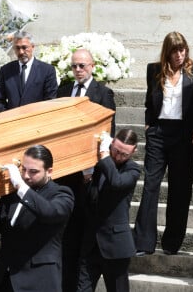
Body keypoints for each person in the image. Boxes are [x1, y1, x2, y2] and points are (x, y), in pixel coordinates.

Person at [0, 145, 74, 292]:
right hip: (5, 276)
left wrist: (20, 187)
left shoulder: (61, 194)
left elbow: (49, 213)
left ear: (49, 171)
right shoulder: (14, 193)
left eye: (33, 172)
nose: (26, 176)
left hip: (38, 280)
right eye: (23, 169)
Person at [132, 32, 193, 257]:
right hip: (159, 132)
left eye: (183, 50)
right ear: (167, 51)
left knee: (180, 188)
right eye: (175, 50)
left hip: (184, 135)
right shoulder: (154, 70)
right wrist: (148, 125)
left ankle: (172, 242)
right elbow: (149, 100)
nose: (180, 55)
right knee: (150, 185)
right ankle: (143, 242)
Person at [56, 47, 116, 292]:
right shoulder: (62, 91)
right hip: (65, 172)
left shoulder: (103, 93)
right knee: (67, 232)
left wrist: (93, 166)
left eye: (82, 66)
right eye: (74, 66)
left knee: (84, 229)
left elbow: (107, 133)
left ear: (92, 66)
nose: (78, 70)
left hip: (90, 173)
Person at [76, 129, 141, 292]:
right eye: (116, 150)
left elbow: (116, 182)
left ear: (134, 151)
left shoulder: (132, 170)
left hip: (116, 246)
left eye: (124, 154)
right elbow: (90, 198)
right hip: (91, 242)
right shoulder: (100, 164)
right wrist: (87, 180)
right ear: (112, 143)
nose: (118, 156)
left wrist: (105, 154)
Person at [0, 30, 58, 112]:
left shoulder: (47, 70)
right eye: (17, 48)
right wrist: (7, 119)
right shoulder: (5, 70)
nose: (21, 52)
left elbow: (50, 101)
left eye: (24, 47)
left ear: (32, 47)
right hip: (11, 121)